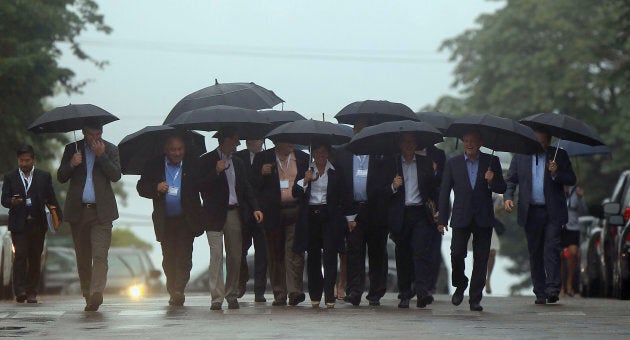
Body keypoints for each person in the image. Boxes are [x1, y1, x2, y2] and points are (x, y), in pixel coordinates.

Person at [504, 128, 576, 305]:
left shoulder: (559, 155)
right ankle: (540, 291)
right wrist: (508, 197)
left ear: (549, 141)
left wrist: (555, 173)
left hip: (553, 212)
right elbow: (511, 179)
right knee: (535, 251)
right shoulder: (520, 156)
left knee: (551, 248)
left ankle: (553, 289)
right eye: (536, 141)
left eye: (542, 142)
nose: (539, 145)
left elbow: (571, 179)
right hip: (531, 211)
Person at [438, 130, 506, 312]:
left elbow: (502, 187)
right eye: (466, 141)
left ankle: (475, 298)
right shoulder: (453, 163)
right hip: (461, 216)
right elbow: (444, 192)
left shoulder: (492, 162)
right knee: (456, 254)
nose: (469, 144)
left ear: (480, 142)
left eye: (473, 141)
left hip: (484, 217)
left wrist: (492, 181)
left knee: (481, 259)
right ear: (462, 142)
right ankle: (460, 285)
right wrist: (442, 219)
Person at [57, 121, 121, 311]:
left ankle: (96, 292)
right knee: (83, 256)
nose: (96, 137)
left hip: (102, 212)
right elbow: (61, 176)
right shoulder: (72, 149)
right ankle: (87, 293)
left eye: (98, 133)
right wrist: (71, 164)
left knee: (100, 254)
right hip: (78, 211)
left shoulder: (110, 149)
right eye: (92, 134)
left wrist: (101, 156)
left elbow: (116, 175)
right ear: (84, 133)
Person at [199, 128, 263, 310]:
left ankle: (231, 293)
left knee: (235, 255)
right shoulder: (206, 160)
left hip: (234, 212)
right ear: (225, 140)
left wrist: (256, 208)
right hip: (213, 215)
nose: (238, 144)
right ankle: (216, 297)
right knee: (216, 255)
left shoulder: (238, 162)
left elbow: (246, 187)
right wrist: (216, 172)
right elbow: (200, 186)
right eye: (235, 140)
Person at [136, 134, 204, 306]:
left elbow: (204, 184)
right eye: (173, 149)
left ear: (184, 149)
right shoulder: (154, 165)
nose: (177, 153)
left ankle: (179, 289)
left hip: (186, 220)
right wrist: (155, 188)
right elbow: (141, 187)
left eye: (180, 149)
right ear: (166, 150)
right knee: (169, 258)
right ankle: (172, 288)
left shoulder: (193, 163)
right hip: (165, 220)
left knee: (184, 257)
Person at [334, 119, 388, 306]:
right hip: (353, 211)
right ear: (353, 133)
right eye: (358, 132)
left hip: (376, 211)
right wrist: (347, 214)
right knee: (354, 252)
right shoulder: (341, 153)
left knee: (377, 253)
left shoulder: (381, 154)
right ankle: (354, 291)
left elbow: (386, 182)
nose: (360, 135)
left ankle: (375, 292)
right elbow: (339, 185)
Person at [1, 145, 62, 304]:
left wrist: (58, 218)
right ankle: (19, 290)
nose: (24, 163)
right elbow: (4, 200)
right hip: (18, 224)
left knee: (35, 257)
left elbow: (51, 198)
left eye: (27, 160)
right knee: (20, 255)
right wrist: (12, 202)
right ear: (18, 160)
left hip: (38, 223)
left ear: (33, 160)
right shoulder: (10, 177)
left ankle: (32, 292)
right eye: (21, 160)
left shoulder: (44, 176)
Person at [252, 141, 309, 306]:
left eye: (292, 141)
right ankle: (279, 293)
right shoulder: (263, 158)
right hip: (272, 213)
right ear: (277, 142)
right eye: (287, 141)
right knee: (275, 253)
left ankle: (294, 291)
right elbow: (252, 185)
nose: (291, 144)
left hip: (295, 210)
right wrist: (261, 174)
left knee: (293, 252)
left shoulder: (303, 158)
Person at [385, 132, 438, 309]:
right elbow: (381, 192)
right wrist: (393, 186)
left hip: (420, 214)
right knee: (402, 255)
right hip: (401, 215)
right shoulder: (392, 164)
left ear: (416, 144)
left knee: (420, 253)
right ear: (400, 144)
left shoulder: (424, 163)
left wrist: (437, 211)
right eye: (405, 142)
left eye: (411, 142)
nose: (408, 145)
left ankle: (422, 292)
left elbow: (433, 190)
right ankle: (405, 293)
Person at [292, 143, 349, 308]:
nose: (321, 156)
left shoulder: (336, 170)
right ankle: (315, 294)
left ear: (329, 155)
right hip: (311, 216)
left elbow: (344, 195)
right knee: (313, 257)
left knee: (330, 255)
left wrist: (347, 216)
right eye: (317, 152)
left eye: (324, 153)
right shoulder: (306, 169)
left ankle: (330, 296)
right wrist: (305, 180)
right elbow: (295, 193)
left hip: (329, 216)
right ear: (313, 154)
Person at [233, 139, 268, 302]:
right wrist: (259, 173)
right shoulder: (237, 157)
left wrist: (266, 173)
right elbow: (242, 183)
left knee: (262, 252)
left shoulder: (268, 157)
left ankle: (259, 290)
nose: (257, 143)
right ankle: (241, 280)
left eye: (259, 140)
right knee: (240, 250)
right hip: (244, 211)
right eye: (253, 140)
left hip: (263, 211)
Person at [560, 185, 587, 297]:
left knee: (573, 253)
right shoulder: (554, 189)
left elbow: (584, 211)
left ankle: (569, 283)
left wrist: (580, 198)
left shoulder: (576, 192)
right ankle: (561, 286)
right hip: (559, 226)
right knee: (559, 255)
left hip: (573, 227)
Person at [484, 193, 504, 294]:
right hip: (475, 220)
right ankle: (478, 279)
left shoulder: (496, 191)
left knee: (492, 252)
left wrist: (505, 205)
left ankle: (488, 279)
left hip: (490, 223)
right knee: (478, 253)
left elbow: (497, 208)